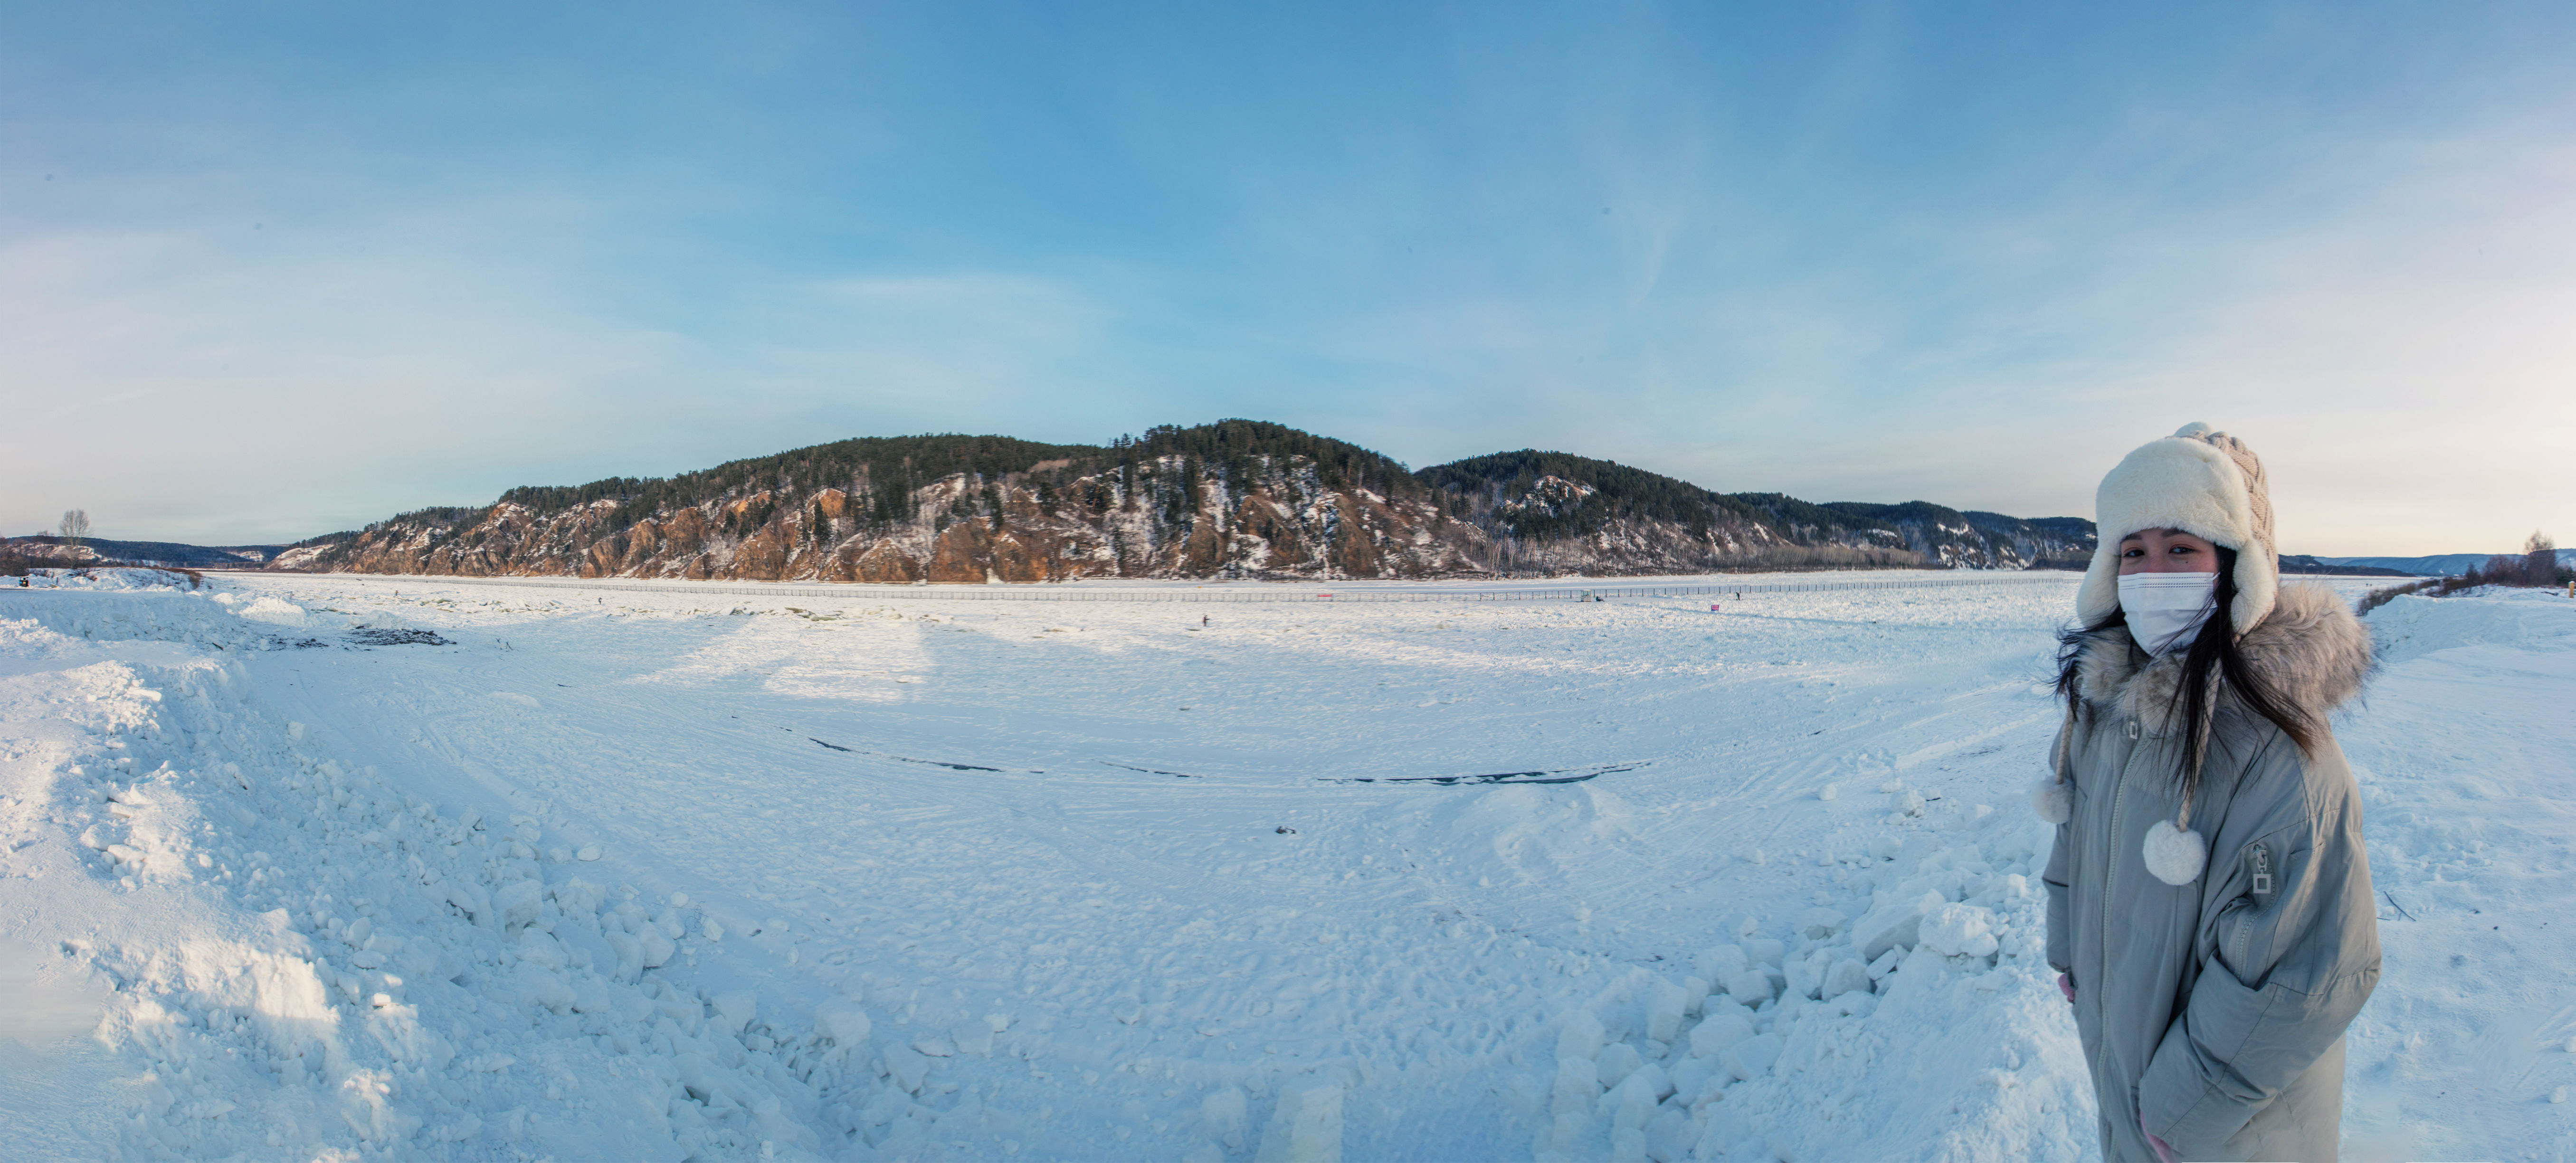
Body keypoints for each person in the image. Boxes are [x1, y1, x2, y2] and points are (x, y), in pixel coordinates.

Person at [2037, 424, 2379, 1162]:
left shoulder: (2277, 749)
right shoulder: (2107, 710)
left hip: (2227, 1133)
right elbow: (2077, 836)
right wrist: (2070, 951)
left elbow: (2305, 969)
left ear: (2235, 564)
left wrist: (2175, 1111)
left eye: (2182, 547)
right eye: (2134, 550)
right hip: (2136, 1099)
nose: (2153, 571)